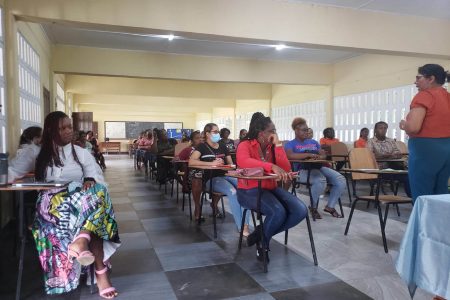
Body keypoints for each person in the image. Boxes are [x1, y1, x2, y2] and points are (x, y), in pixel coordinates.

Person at [32, 111, 120, 298]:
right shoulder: (38, 153)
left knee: (99, 194)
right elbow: (13, 170)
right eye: (62, 128)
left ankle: (81, 240)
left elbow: (97, 178)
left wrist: (89, 180)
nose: (68, 131)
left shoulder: (80, 153)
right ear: (50, 131)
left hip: (78, 203)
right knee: (94, 219)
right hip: (52, 206)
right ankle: (100, 271)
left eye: (69, 127)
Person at [236, 112, 308, 262]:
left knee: (300, 210)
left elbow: (286, 167)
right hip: (248, 191)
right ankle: (263, 243)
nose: (275, 133)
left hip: (270, 188)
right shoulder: (245, 145)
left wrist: (279, 146)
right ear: (261, 133)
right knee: (278, 211)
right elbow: (244, 162)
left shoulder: (272, 146)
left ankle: (260, 234)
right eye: (272, 130)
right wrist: (271, 166)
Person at [400, 64, 450, 203]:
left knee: (422, 193)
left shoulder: (425, 95)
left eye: (418, 78)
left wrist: (404, 124)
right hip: (447, 148)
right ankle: (440, 225)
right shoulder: (447, 96)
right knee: (441, 192)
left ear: (431, 79)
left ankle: (422, 225)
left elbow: (414, 127)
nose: (415, 81)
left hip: (426, 149)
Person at [189, 123, 250, 236]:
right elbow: (191, 162)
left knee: (246, 188)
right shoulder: (202, 147)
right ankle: (241, 227)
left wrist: (228, 166)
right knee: (233, 192)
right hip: (211, 179)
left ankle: (246, 224)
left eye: (218, 131)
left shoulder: (222, 146)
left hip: (225, 175)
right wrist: (211, 164)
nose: (218, 134)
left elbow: (231, 164)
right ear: (207, 134)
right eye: (215, 132)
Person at [285, 117, 345, 219]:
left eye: (307, 130)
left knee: (340, 179)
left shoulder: (313, 142)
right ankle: (313, 207)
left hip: (317, 167)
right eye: (304, 130)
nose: (306, 132)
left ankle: (330, 206)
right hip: (301, 170)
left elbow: (323, 155)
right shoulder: (291, 144)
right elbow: (290, 156)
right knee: (320, 180)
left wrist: (320, 156)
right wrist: (308, 154)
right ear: (296, 130)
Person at [367, 121, 411, 197]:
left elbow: (397, 153)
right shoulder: (370, 142)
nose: (383, 130)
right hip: (380, 169)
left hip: (393, 166)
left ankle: (414, 199)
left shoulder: (390, 141)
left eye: (385, 128)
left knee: (410, 175)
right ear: (375, 130)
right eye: (380, 128)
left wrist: (391, 155)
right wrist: (385, 155)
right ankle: (413, 199)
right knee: (406, 177)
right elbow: (369, 156)